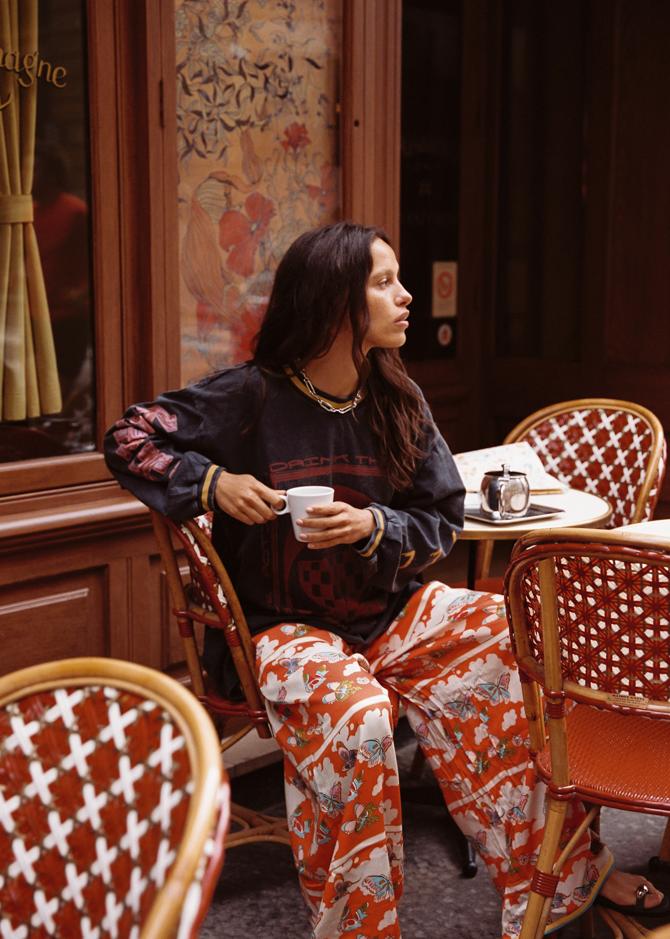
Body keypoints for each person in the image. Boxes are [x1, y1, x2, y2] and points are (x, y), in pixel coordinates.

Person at [104, 222, 665, 938]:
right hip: (285, 627)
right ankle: (359, 928)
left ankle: (567, 874)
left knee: (512, 635)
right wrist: (213, 482)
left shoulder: (397, 397)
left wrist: (374, 529)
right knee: (360, 715)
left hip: (390, 613)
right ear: (335, 300)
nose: (406, 297)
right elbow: (129, 437)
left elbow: (440, 517)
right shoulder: (250, 396)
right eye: (384, 282)